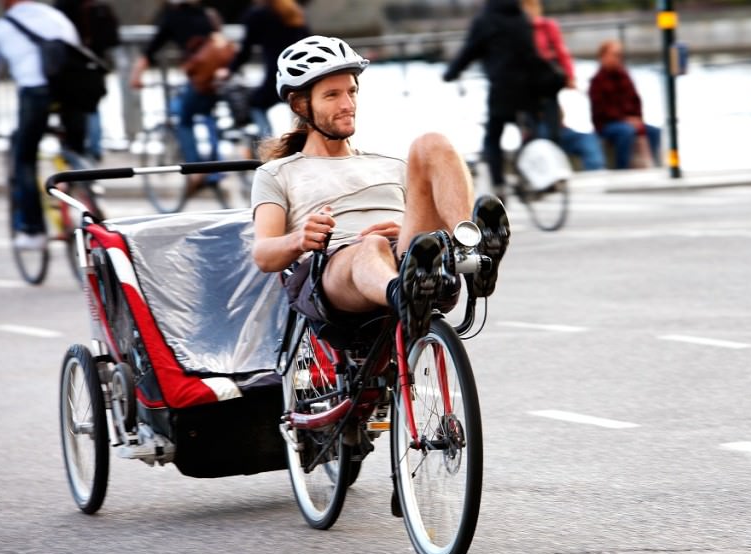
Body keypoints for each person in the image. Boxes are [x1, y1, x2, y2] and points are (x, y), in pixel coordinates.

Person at [251, 35, 509, 345]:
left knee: (432, 143)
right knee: (371, 245)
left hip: (408, 260)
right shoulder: (277, 173)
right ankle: (403, 293)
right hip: (334, 275)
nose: (347, 105)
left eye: (351, 92)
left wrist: (405, 231)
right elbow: (263, 255)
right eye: (332, 95)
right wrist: (299, 238)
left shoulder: (391, 165)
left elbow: (418, 224)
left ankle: (470, 252)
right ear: (300, 104)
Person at [0, 0, 88, 251]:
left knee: (24, 157)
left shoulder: (2, 28)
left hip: (35, 92)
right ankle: (82, 182)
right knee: (74, 146)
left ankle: (32, 230)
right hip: (74, 88)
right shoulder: (55, 16)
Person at [443, 0, 545, 198]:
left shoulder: (486, 19)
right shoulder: (521, 16)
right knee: (530, 130)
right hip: (528, 87)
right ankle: (532, 174)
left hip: (502, 88)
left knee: (493, 137)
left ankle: (499, 184)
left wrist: (451, 73)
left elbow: (470, 50)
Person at [129, 0, 229, 191]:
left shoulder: (173, 17)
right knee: (207, 115)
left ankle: (195, 169)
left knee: (183, 119)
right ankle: (217, 168)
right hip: (215, 79)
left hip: (199, 78)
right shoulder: (207, 14)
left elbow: (150, 51)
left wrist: (136, 76)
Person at [520, 0, 605, 171]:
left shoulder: (545, 27)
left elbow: (561, 52)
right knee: (542, 132)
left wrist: (570, 76)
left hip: (546, 86)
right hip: (531, 91)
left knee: (551, 131)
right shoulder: (520, 29)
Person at [228, 0, 310, 140]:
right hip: (301, 70)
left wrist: (230, 69)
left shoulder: (258, 13)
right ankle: (302, 141)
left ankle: (268, 146)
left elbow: (245, 49)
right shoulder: (292, 10)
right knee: (300, 105)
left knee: (257, 104)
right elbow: (308, 39)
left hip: (277, 72)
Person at [54, 0, 120, 161]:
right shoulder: (100, 9)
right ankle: (93, 151)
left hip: (72, 71)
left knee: (73, 114)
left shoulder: (63, 9)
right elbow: (113, 39)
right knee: (92, 110)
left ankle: (77, 157)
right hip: (95, 68)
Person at [588, 39, 661, 170]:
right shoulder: (597, 81)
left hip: (627, 121)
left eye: (619, 55)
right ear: (603, 56)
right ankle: (621, 169)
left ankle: (654, 166)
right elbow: (602, 111)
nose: (618, 59)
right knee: (625, 131)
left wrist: (636, 119)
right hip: (606, 125)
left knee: (654, 131)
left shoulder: (624, 76)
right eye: (614, 55)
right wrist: (625, 119)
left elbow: (636, 101)